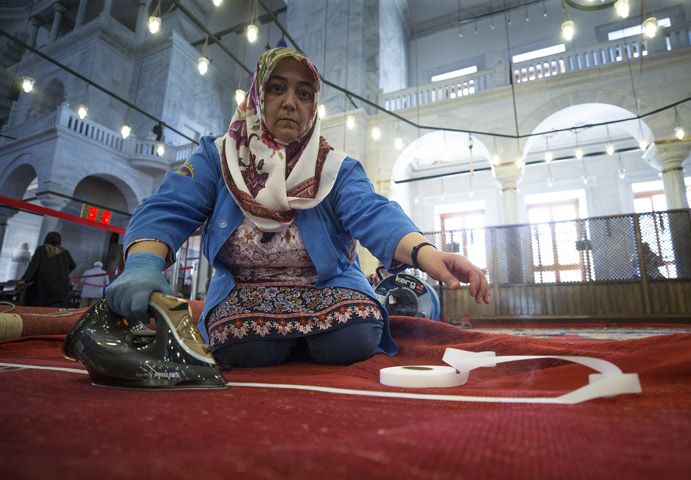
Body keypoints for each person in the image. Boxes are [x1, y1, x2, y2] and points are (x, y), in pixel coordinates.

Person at [106, 47, 490, 368]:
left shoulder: (335, 168)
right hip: (244, 290)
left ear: (314, 107)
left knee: (352, 336)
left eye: (304, 94)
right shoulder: (218, 157)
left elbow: (373, 212)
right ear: (258, 97)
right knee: (245, 347)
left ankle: (303, 341)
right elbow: (169, 207)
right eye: (277, 89)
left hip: (329, 289)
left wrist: (425, 252)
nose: (291, 103)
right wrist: (143, 264)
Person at [21, 231, 76, 307]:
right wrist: (63, 272)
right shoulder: (65, 252)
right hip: (61, 289)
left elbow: (33, 267)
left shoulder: (41, 250)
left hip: (43, 288)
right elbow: (73, 265)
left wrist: (24, 280)